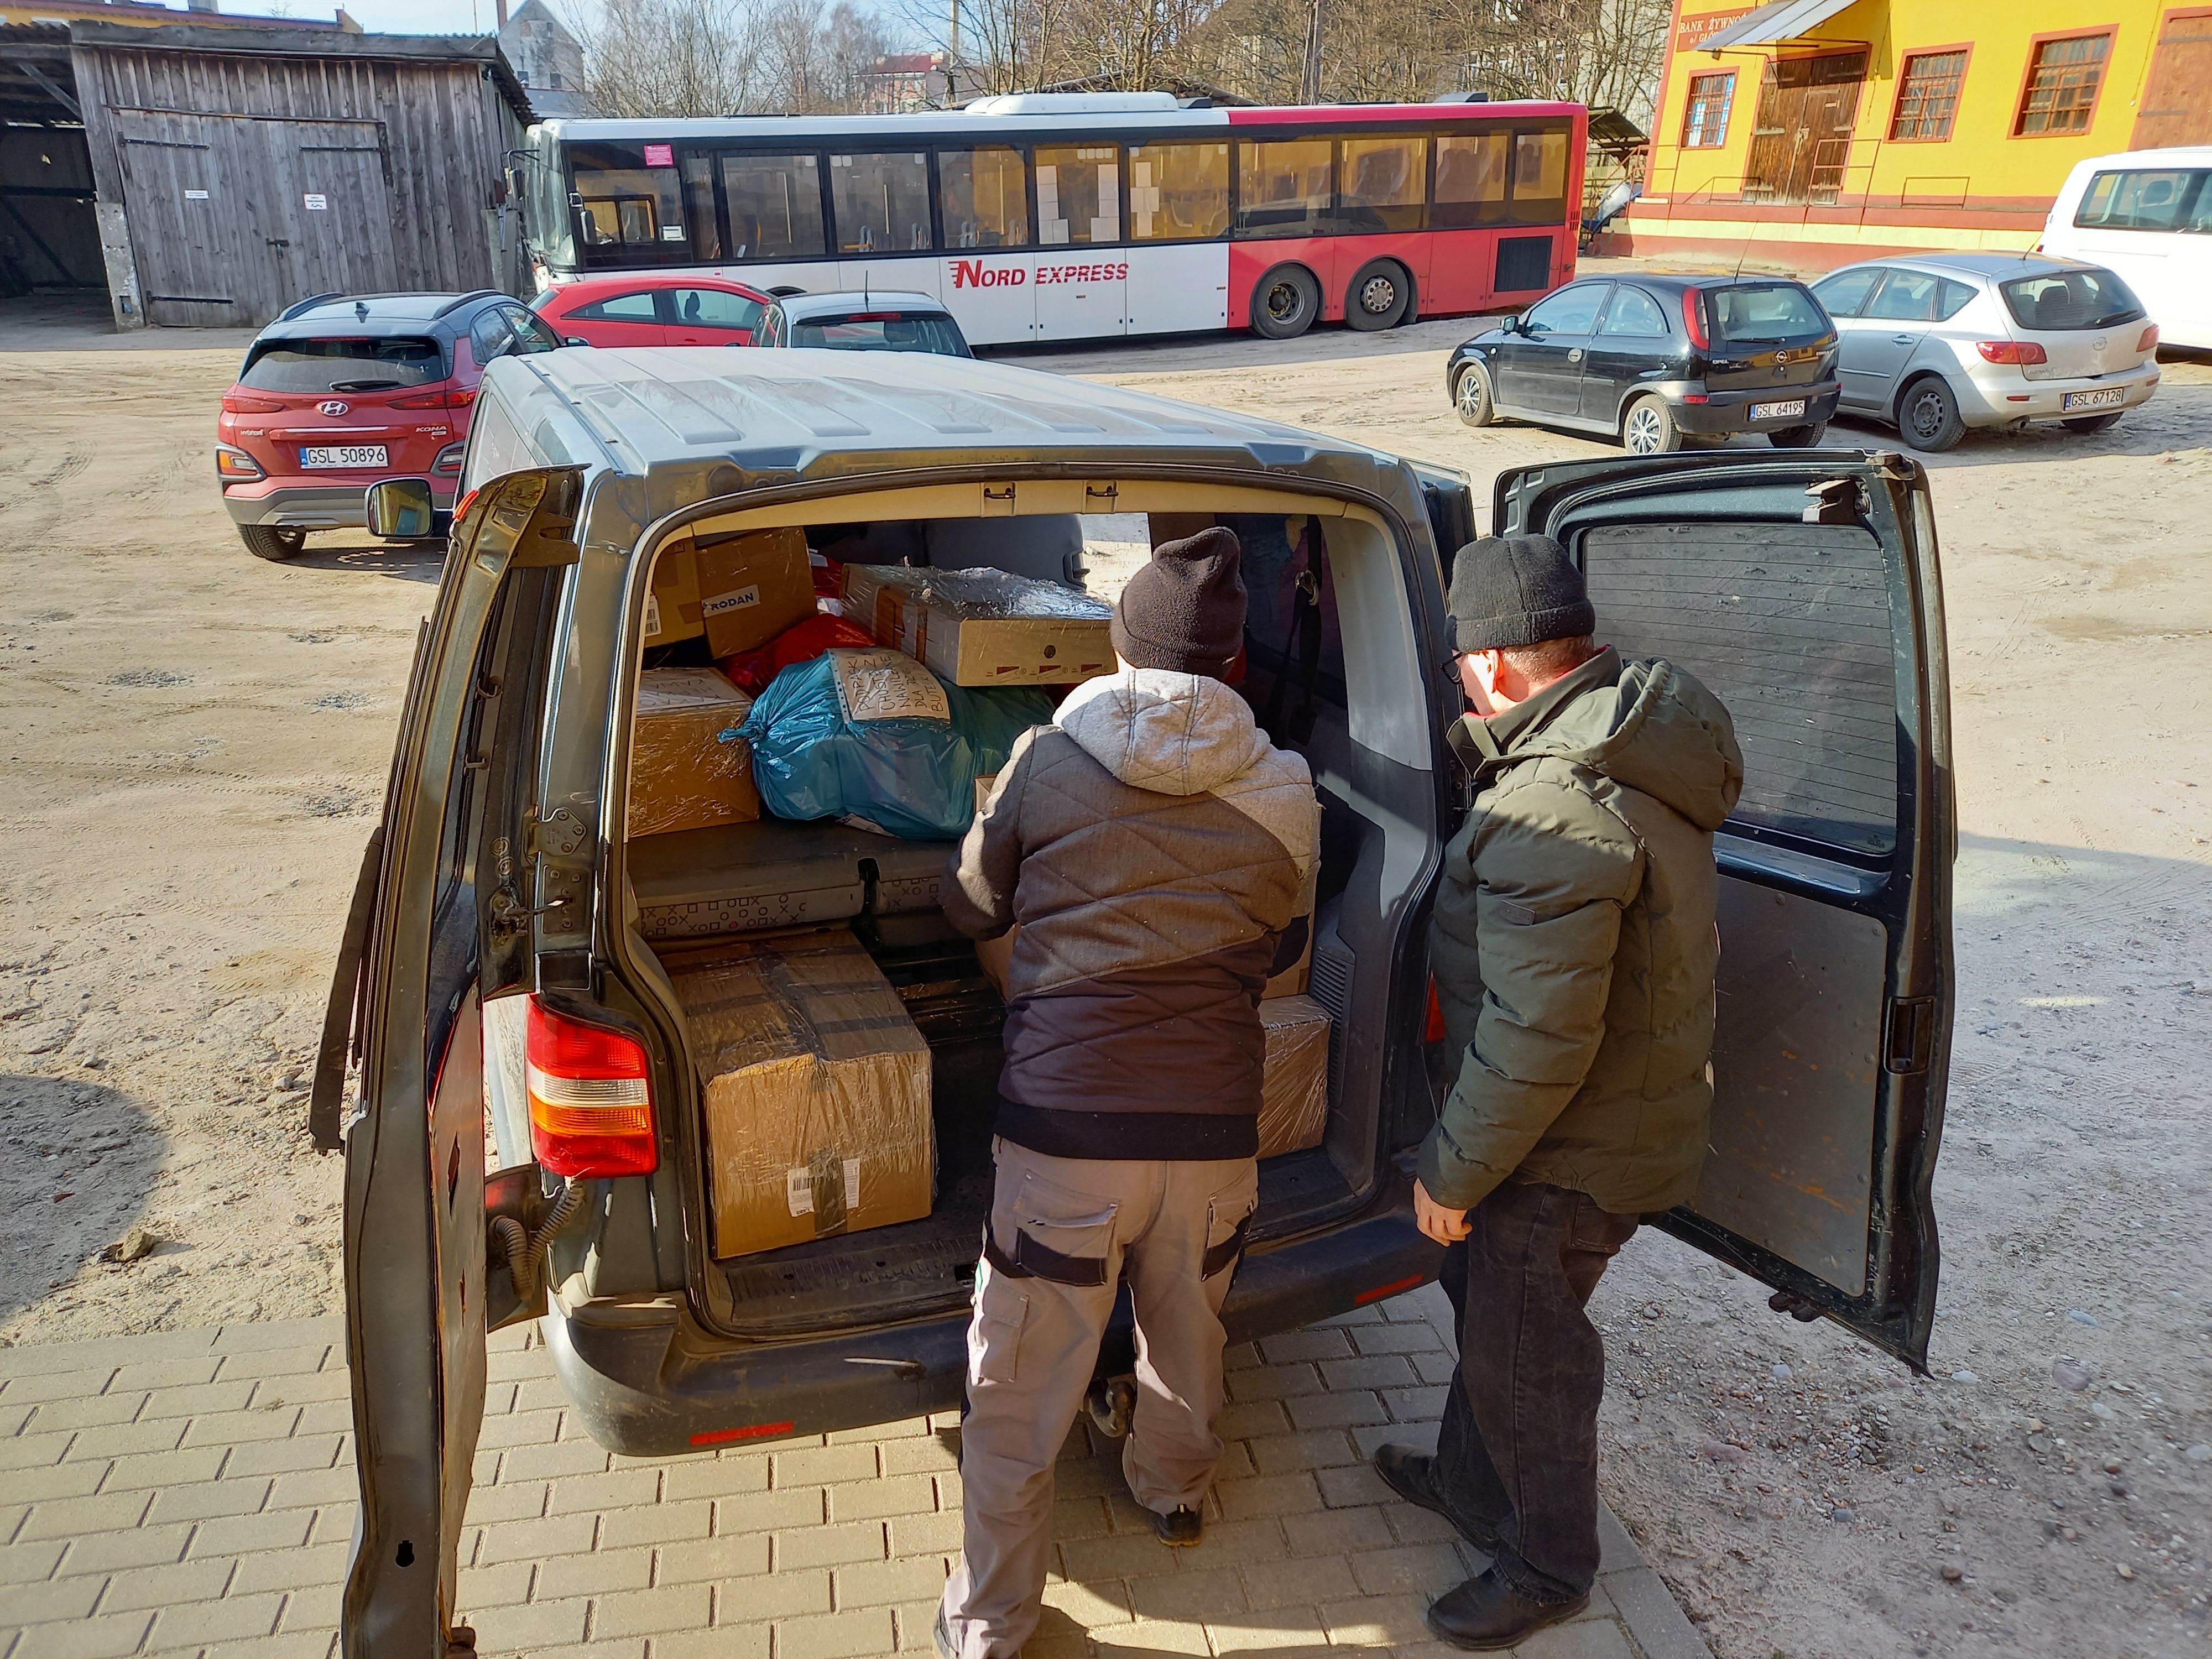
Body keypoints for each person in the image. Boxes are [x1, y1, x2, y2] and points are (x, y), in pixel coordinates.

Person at [934, 526, 1321, 1659]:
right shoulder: (1287, 790)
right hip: (1210, 1134)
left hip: (1063, 1143)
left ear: (1119, 643)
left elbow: (970, 904)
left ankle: (994, 1620)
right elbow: (1282, 936)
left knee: (1015, 1389)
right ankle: (1172, 1490)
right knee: (1187, 1331)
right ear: (1233, 662)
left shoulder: (1047, 762)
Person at [1374, 535, 1743, 1651]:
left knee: (1529, 1358)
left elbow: (1537, 1039)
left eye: (1454, 666)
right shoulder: (1619, 736)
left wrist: (1451, 1170)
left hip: (1565, 1155)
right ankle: (1464, 1484)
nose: (1454, 685)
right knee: (1490, 1316)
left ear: (1490, 668)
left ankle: (1548, 1566)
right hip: (1578, 1127)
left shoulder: (1560, 804)